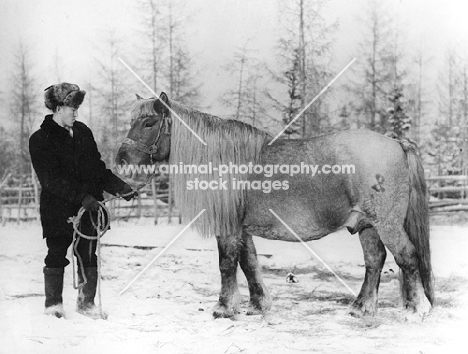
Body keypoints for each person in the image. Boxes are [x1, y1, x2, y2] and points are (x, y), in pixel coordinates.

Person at [29, 82, 137, 319]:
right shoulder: (40, 139)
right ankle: (54, 306)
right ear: (58, 108)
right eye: (71, 108)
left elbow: (97, 169)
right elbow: (51, 180)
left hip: (89, 209)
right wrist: (82, 197)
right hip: (58, 209)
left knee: (87, 253)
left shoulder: (84, 132)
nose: (76, 112)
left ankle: (87, 303)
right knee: (57, 252)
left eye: (77, 107)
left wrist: (120, 187)